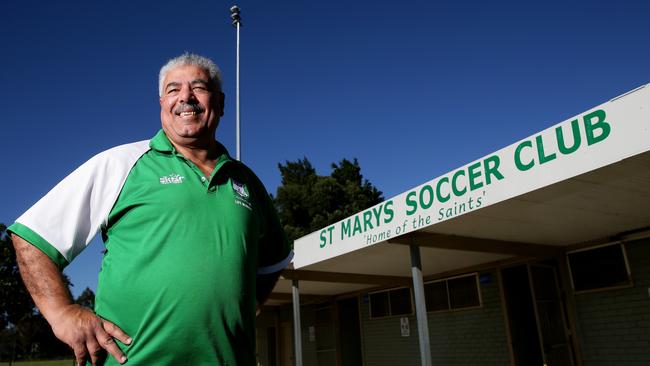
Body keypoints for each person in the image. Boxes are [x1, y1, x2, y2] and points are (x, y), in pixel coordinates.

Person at [8, 53, 293, 366]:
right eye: (173, 89)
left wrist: (246, 303)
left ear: (221, 103)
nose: (186, 97)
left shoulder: (247, 181)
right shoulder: (120, 163)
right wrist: (62, 313)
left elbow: (274, 258)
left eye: (199, 87)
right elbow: (32, 237)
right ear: (162, 104)